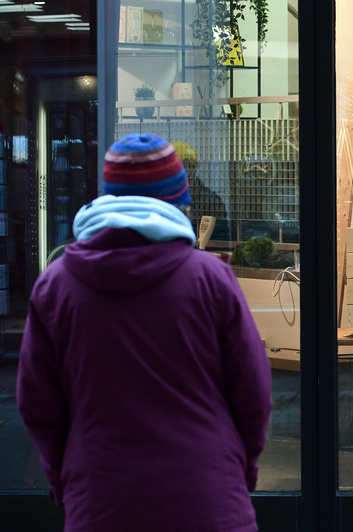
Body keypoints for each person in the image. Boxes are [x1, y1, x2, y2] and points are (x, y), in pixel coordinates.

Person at [17, 133, 273, 531]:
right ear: (179, 202)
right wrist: (240, 472)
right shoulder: (211, 278)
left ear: (108, 198)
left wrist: (64, 480)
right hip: (208, 500)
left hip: (100, 503)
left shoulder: (56, 285)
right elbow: (253, 393)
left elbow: (38, 405)